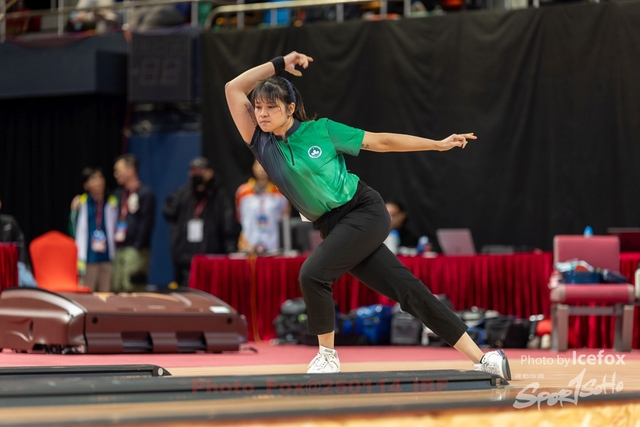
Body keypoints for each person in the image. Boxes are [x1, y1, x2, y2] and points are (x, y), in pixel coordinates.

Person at [224, 51, 511, 379]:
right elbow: (233, 88)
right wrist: (280, 64)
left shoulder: (322, 131)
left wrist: (437, 144)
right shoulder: (260, 142)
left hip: (363, 211)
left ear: (290, 108)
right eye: (258, 107)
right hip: (332, 226)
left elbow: (381, 141)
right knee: (409, 291)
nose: (262, 113)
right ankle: (484, 358)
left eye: (271, 107)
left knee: (312, 274)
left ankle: (327, 356)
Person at [163, 157, 238, 288]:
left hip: (210, 258)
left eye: (201, 170)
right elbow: (168, 212)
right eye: (194, 171)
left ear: (210, 172)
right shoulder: (183, 194)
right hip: (185, 258)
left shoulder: (219, 196)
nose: (197, 174)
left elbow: (228, 224)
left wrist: (230, 250)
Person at [69, 167, 118, 292]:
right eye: (93, 179)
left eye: (100, 177)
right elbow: (72, 227)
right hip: (88, 258)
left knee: (106, 294)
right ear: (86, 185)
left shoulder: (112, 202)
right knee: (87, 295)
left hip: (107, 258)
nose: (98, 182)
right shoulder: (81, 203)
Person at [112, 154, 156, 292]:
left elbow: (146, 223)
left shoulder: (145, 193)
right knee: (117, 287)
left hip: (135, 250)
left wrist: (137, 247)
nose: (116, 175)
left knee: (132, 287)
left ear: (130, 170)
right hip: (119, 247)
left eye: (118, 171)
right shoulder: (118, 194)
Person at [236, 159, 289, 254]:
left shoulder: (280, 192)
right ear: (253, 167)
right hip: (248, 248)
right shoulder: (242, 192)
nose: (261, 168)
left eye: (264, 164)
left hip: (273, 247)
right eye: (258, 164)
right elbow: (239, 217)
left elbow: (285, 217)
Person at [0, 198, 37, 287]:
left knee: (28, 282)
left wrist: (20, 264)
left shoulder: (10, 222)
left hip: (13, 264)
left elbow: (21, 244)